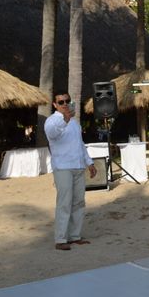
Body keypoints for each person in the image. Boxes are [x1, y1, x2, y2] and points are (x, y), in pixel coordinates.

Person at [45, 92, 96, 251]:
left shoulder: (75, 123)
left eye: (67, 101)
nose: (65, 104)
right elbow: (52, 134)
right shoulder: (51, 121)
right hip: (63, 167)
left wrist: (89, 162)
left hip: (78, 166)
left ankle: (75, 236)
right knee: (64, 203)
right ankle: (60, 239)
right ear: (55, 104)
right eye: (61, 102)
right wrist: (65, 119)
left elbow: (80, 144)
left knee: (79, 202)